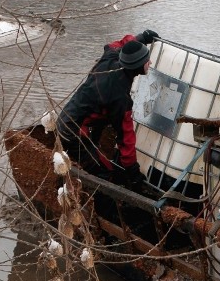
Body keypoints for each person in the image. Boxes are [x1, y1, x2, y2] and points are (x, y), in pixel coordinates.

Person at [56, 29, 159, 190]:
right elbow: (125, 137)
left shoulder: (110, 58)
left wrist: (140, 39)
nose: (150, 63)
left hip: (70, 117)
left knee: (98, 148)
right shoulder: (120, 98)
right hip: (73, 131)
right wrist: (133, 171)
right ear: (138, 66)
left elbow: (119, 44)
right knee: (104, 171)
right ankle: (96, 203)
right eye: (147, 60)